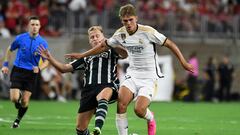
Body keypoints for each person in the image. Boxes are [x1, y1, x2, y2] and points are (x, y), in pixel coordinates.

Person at [65, 4, 194, 135]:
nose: (128, 23)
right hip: (132, 75)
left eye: (130, 20)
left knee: (139, 110)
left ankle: (150, 118)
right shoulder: (120, 34)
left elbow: (170, 44)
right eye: (125, 21)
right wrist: (82, 55)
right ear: (122, 20)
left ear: (136, 18)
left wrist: (183, 62)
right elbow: (103, 46)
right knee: (121, 104)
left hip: (149, 78)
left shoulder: (148, 32)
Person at [38, 26, 128, 135]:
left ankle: (97, 129)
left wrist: (111, 44)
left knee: (103, 95)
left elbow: (124, 54)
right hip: (88, 91)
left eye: (97, 36)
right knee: (80, 129)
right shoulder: (86, 58)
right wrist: (50, 58)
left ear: (103, 36)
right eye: (92, 37)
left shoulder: (111, 51)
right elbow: (63, 69)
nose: (95, 38)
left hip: (108, 85)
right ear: (89, 41)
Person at [1, 16, 49, 128]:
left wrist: (40, 68)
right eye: (32, 24)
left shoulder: (43, 43)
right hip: (18, 70)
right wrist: (5, 65)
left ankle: (17, 120)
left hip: (32, 73)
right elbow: (10, 49)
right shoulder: (20, 38)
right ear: (28, 26)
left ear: (40, 27)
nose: (34, 27)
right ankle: (18, 98)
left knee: (25, 102)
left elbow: (47, 62)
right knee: (14, 99)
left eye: (37, 25)